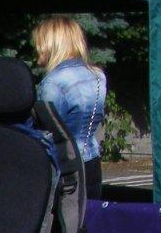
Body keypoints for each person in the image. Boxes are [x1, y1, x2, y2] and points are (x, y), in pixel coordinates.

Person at [33, 16, 106, 198]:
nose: (37, 50)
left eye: (40, 44)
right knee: (89, 213)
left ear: (52, 45)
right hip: (92, 160)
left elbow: (48, 132)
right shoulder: (98, 76)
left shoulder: (53, 82)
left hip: (65, 166)